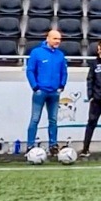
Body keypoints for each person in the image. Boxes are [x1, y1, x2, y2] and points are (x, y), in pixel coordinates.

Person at [25, 29, 68, 157]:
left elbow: (64, 72)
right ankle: (30, 145)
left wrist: (61, 85)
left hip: (54, 92)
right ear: (48, 38)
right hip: (40, 91)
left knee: (53, 120)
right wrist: (35, 87)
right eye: (55, 39)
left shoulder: (60, 55)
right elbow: (30, 71)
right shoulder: (36, 53)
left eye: (59, 39)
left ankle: (53, 145)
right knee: (35, 119)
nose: (58, 41)